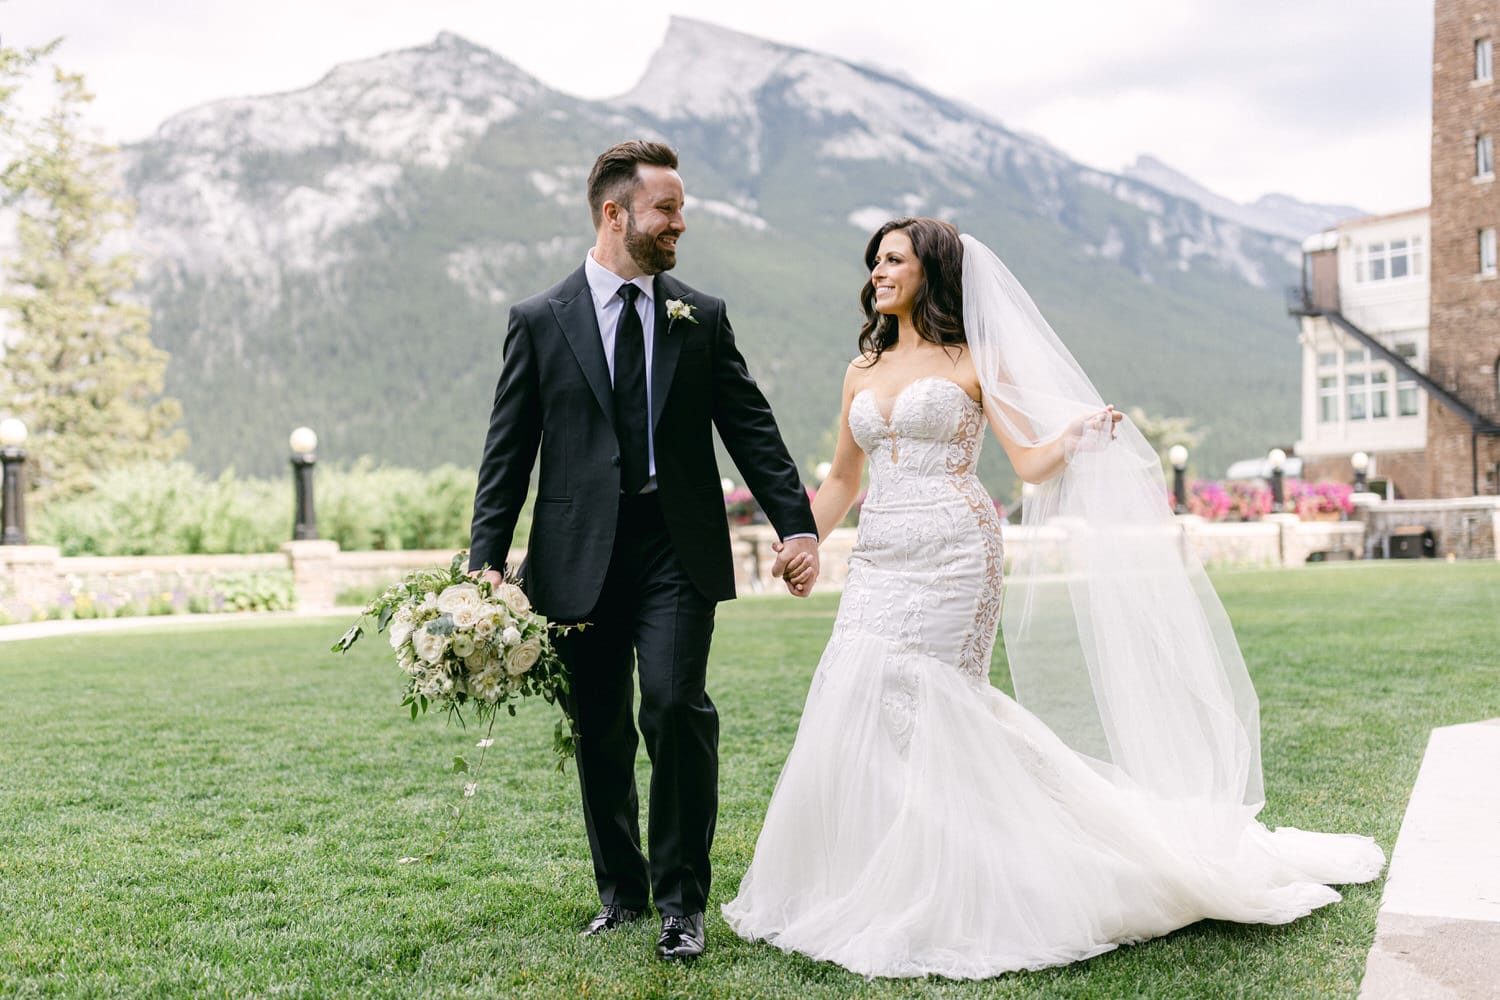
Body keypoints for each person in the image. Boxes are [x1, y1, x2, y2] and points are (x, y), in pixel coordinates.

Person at [728, 217, 1385, 979]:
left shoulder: (975, 358)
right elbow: (843, 478)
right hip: (880, 558)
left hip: (954, 553)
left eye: (895, 260)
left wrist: (1075, 440)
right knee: (860, 689)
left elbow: (1027, 463)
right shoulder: (859, 370)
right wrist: (805, 538)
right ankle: (862, 875)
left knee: (937, 701)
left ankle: (972, 878)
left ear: (930, 273)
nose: (879, 271)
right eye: (875, 260)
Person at [467, 140, 819, 962]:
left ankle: (681, 903)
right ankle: (621, 894)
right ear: (614, 214)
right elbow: (506, 451)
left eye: (680, 209)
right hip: (575, 555)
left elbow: (751, 426)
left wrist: (795, 524)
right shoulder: (537, 319)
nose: (680, 225)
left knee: (672, 704)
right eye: (667, 209)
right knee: (600, 728)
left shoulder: (702, 315)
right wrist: (486, 559)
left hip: (676, 545)